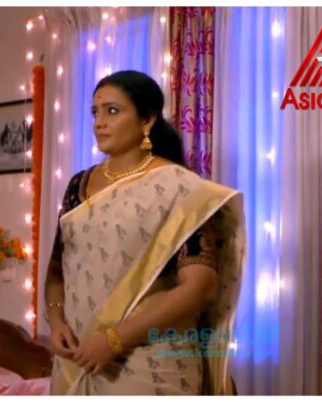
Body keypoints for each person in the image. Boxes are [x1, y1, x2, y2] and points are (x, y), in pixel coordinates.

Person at [44, 70, 245, 395]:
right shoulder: (78, 185)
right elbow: (57, 270)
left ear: (147, 120)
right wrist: (56, 323)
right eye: (95, 112)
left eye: (112, 111)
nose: (99, 123)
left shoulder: (181, 188)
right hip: (77, 361)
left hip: (149, 365)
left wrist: (113, 340)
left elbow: (200, 288)